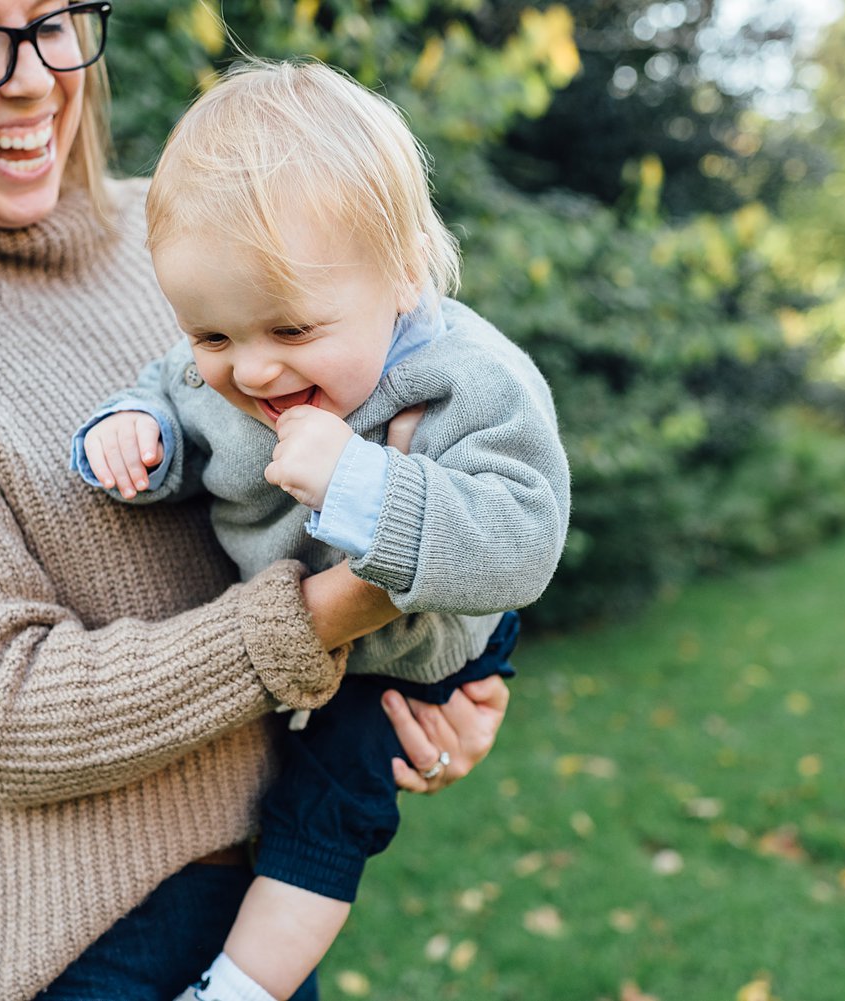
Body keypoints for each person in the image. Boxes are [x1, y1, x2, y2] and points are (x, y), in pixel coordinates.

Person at [0, 2, 514, 999]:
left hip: (258, 907)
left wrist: (425, 682)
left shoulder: (187, 242)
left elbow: (345, 487)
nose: (34, 78)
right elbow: (7, 714)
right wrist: (346, 607)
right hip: (78, 958)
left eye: (53, 20)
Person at [74, 60, 570, 1001]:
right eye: (212, 336)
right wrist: (131, 436)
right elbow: (171, 405)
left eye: (290, 331)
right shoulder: (228, 367)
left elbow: (526, 539)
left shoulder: (470, 381)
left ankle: (239, 991)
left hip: (426, 644)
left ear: (403, 278)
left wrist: (362, 482)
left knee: (326, 808)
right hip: (314, 630)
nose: (251, 371)